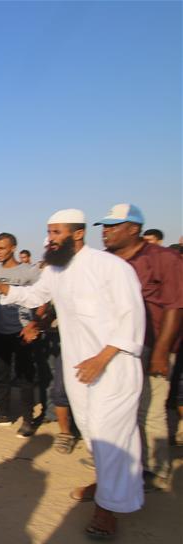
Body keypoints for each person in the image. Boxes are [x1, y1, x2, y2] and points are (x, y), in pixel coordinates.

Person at [0, 208, 145, 540]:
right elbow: (34, 295)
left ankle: (108, 510)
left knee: (113, 434)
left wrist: (103, 357)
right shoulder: (56, 269)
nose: (48, 239)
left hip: (114, 366)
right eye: (48, 232)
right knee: (94, 431)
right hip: (79, 365)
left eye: (56, 233)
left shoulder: (112, 267)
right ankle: (107, 485)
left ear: (78, 234)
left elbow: (132, 319)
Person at [99, 203, 181, 492]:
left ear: (134, 229)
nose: (106, 232)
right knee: (121, 410)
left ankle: (155, 471)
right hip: (114, 348)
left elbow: (174, 306)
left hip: (151, 345)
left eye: (113, 226)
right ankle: (125, 463)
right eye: (104, 226)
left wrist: (161, 351)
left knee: (150, 409)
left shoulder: (164, 258)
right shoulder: (105, 261)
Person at [0, 233, 41, 436]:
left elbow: (43, 299)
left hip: (22, 331)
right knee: (2, 374)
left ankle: (28, 419)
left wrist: (34, 324)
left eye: (3, 248)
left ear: (13, 248)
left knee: (25, 377)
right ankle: (3, 414)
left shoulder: (29, 272)